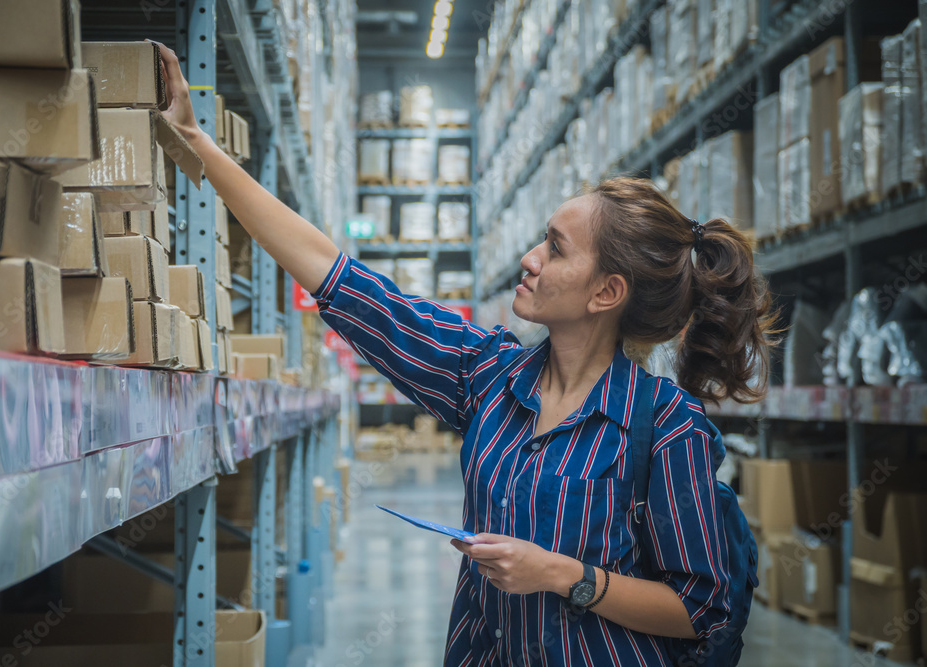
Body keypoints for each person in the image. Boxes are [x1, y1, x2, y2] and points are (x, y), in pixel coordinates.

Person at [157, 42, 777, 666]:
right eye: (541, 240)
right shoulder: (488, 375)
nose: (530, 259)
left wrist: (566, 575)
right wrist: (200, 146)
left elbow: (702, 608)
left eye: (556, 250)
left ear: (606, 293)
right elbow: (335, 274)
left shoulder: (666, 427)